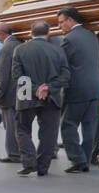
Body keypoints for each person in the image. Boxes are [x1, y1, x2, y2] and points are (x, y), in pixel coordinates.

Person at [12, 21, 70, 176]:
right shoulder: (58, 51)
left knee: (22, 128)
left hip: (26, 96)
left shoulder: (20, 50)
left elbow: (17, 76)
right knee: (49, 132)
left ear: (31, 33)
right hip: (51, 97)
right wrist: (47, 88)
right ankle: (43, 167)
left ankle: (29, 161)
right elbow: (65, 76)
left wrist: (34, 89)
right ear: (48, 33)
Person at [56, 6, 99, 174]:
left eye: (62, 22)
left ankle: (78, 159)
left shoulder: (69, 39)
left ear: (70, 20)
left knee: (68, 124)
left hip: (77, 89)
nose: (60, 26)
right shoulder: (91, 36)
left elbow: (62, 64)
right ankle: (86, 159)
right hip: (95, 87)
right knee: (90, 127)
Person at [0, 22, 23, 163]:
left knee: (10, 125)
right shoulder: (20, 44)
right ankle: (20, 151)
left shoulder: (6, 48)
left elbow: (2, 75)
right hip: (20, 92)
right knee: (19, 124)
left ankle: (14, 153)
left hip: (9, 94)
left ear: (1, 33)